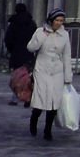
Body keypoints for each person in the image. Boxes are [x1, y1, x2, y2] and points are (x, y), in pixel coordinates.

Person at [26, 7, 73, 141]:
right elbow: (30, 47)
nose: (59, 23)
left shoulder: (65, 35)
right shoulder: (40, 31)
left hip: (57, 71)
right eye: (57, 20)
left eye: (61, 21)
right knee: (41, 100)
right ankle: (33, 120)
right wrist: (42, 36)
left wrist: (68, 76)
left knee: (54, 102)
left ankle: (48, 130)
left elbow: (66, 56)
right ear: (51, 20)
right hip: (42, 69)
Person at [5, 2, 37, 73]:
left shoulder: (13, 23)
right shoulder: (31, 23)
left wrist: (11, 49)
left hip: (16, 52)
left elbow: (8, 39)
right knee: (27, 73)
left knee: (17, 74)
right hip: (29, 53)